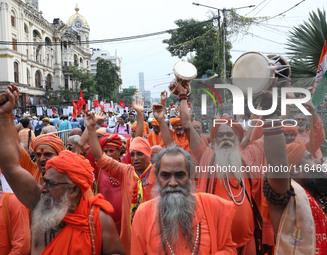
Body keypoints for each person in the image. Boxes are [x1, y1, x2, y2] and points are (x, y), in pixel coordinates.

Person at [0, 85, 125, 255]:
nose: (42, 188)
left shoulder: (98, 220)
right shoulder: (40, 202)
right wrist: (3, 116)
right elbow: (10, 168)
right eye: (45, 181)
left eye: (50, 184)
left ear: (73, 190)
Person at [174, 82, 269, 254]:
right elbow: (187, 124)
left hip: (248, 241)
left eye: (229, 134)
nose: (225, 138)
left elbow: (272, 134)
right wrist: (183, 96)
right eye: (220, 135)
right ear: (214, 139)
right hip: (217, 242)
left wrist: (275, 96)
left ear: (238, 138)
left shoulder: (248, 155)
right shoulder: (206, 155)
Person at [131, 146, 237, 254]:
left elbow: (229, 249)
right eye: (165, 176)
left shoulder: (213, 207)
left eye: (180, 175)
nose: (172, 183)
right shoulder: (143, 213)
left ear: (190, 176)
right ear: (157, 178)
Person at [86, 100, 155, 255]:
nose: (136, 158)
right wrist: (91, 128)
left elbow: (138, 141)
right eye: (133, 155)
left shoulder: (159, 173)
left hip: (151, 229)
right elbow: (98, 157)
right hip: (123, 228)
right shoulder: (125, 171)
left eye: (140, 154)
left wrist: (139, 114)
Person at [263, 122, 327, 253]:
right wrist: (272, 120)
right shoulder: (288, 201)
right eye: (310, 159)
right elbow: (277, 170)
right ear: (295, 170)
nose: (318, 161)